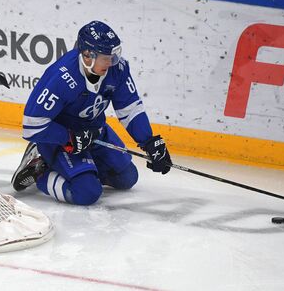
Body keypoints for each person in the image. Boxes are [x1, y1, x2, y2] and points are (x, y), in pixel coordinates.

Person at [11, 20, 172, 206]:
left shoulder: (117, 71)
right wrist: (68, 137)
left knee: (127, 178)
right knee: (86, 193)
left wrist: (149, 141)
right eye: (106, 57)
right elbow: (32, 126)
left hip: (95, 131)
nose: (113, 62)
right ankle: (40, 171)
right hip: (62, 139)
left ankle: (84, 168)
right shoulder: (62, 77)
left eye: (114, 56)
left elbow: (130, 108)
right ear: (88, 55)